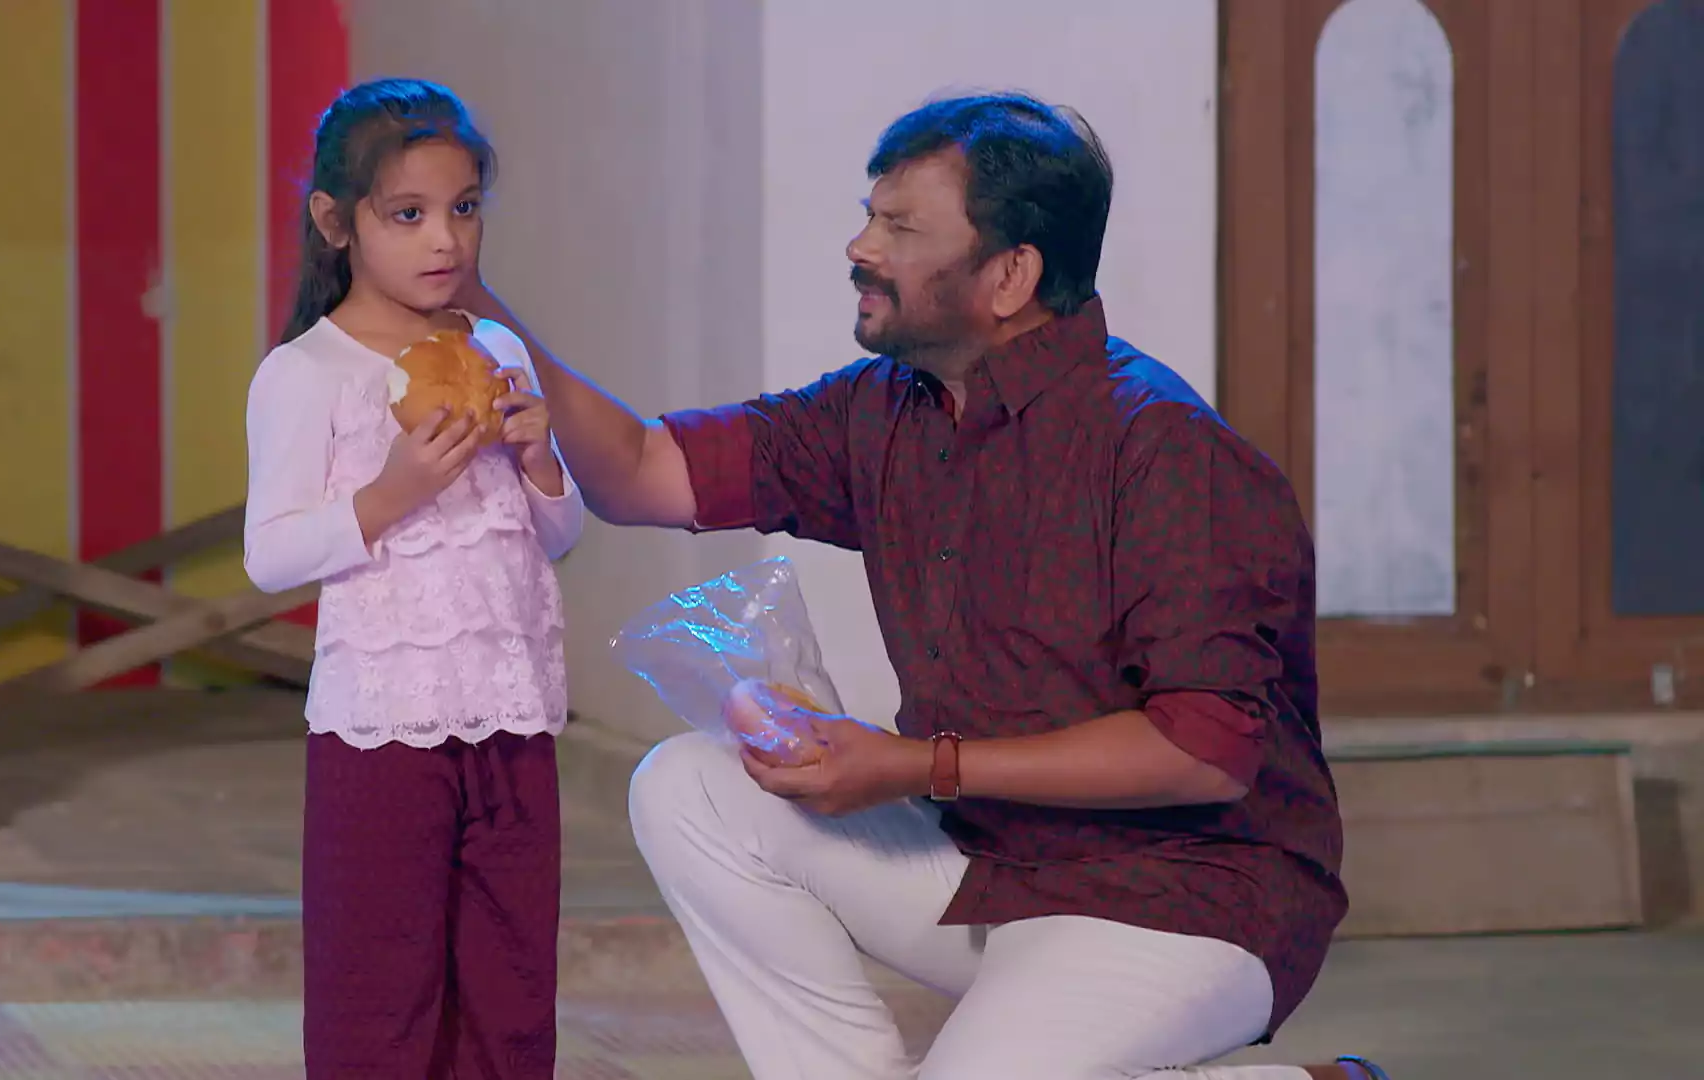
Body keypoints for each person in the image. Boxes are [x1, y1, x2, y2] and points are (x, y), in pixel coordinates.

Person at [455, 94, 1392, 1079]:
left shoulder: (1166, 450)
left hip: (1187, 899)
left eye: (900, 228)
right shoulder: (885, 408)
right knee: (689, 786)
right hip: (987, 864)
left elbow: (1202, 755)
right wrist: (476, 307)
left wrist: (915, 766)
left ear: (1009, 275)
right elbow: (645, 471)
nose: (860, 247)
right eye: (870, 215)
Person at [242, 78, 583, 1079]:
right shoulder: (306, 374)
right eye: (409, 214)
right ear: (336, 223)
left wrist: (540, 462)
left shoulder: (496, 349)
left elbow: (553, 538)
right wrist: (390, 494)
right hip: (381, 731)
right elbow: (270, 555)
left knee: (511, 987)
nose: (446, 240)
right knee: (379, 988)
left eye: (464, 208)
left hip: (513, 723)